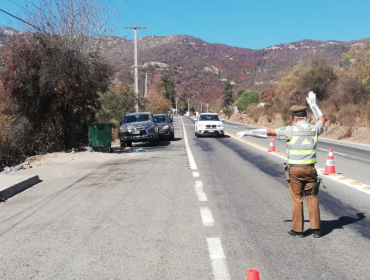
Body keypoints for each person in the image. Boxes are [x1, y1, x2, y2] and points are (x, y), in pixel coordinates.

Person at [237, 91, 325, 238]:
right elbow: (322, 119)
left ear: (295, 118)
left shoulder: (290, 130)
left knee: (297, 199)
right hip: (310, 170)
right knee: (312, 197)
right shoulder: (314, 129)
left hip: (295, 170)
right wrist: (314, 106)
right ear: (305, 117)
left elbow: (269, 132)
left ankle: (298, 231)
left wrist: (250, 132)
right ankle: (316, 230)